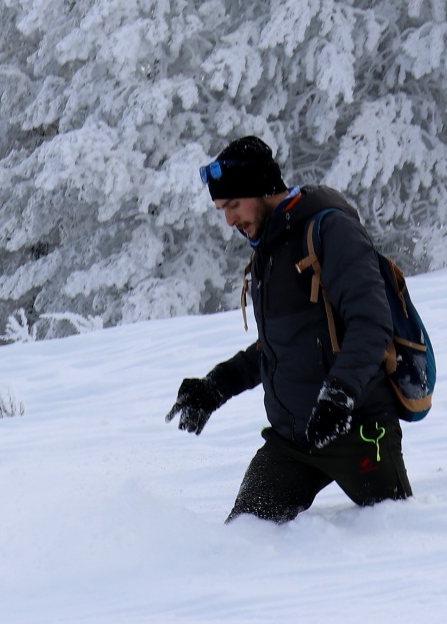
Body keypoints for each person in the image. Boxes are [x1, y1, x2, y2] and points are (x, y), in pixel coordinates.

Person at [166, 136, 413, 522]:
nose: (229, 220)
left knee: (392, 531)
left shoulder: (331, 230)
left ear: (263, 190)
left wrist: (339, 395)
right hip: (292, 441)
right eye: (221, 209)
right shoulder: (268, 248)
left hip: (358, 426)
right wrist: (216, 386)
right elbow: (281, 346)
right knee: (244, 536)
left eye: (233, 204)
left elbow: (371, 323)